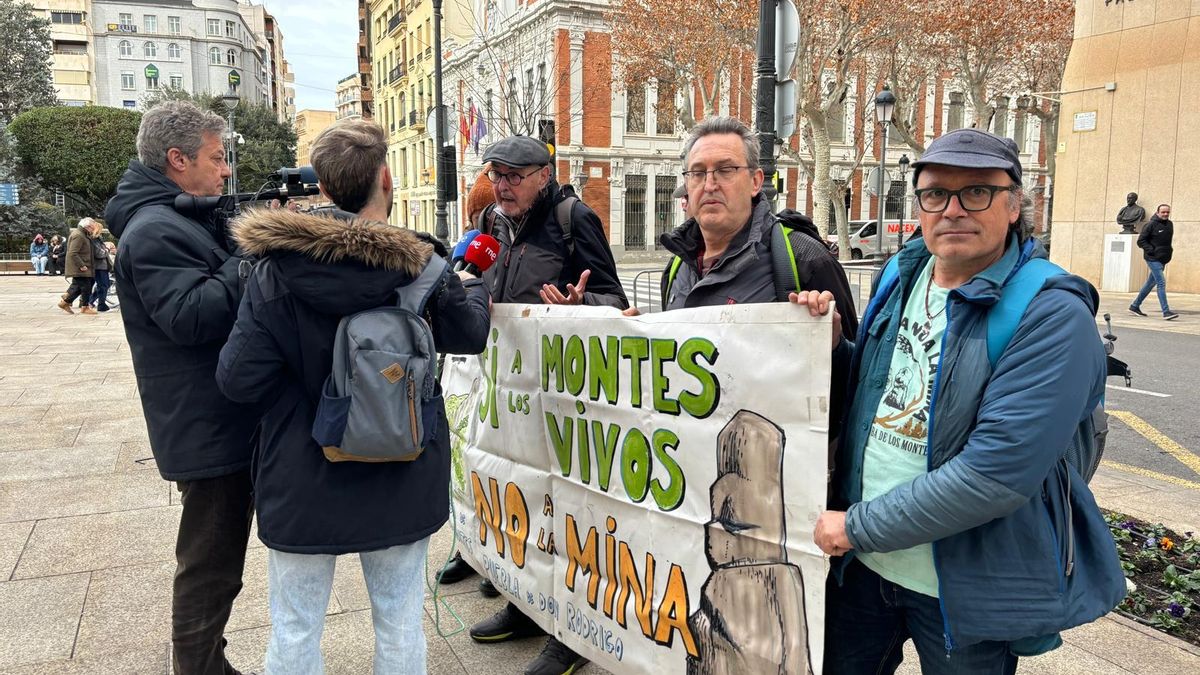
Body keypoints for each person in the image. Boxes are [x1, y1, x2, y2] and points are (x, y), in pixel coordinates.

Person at [799, 128, 1124, 674]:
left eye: (976, 192)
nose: (952, 210)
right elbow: (880, 390)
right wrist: (830, 347)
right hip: (865, 570)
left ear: (1015, 202)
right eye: (935, 194)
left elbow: (994, 474)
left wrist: (854, 527)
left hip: (965, 587)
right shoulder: (904, 272)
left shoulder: (1053, 314)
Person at [214, 119, 491, 674]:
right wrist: (472, 287)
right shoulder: (425, 265)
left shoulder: (273, 270)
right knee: (399, 621)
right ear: (385, 180)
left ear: (325, 185)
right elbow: (470, 335)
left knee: (294, 628)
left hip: (300, 472)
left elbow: (239, 380)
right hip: (401, 470)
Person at [104, 100, 257, 674]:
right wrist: (250, 253)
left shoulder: (172, 215)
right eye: (217, 159)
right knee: (210, 564)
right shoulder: (153, 229)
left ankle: (208, 664)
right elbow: (191, 316)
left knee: (217, 561)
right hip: (205, 427)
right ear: (177, 159)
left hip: (212, 418)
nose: (224, 172)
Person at [465, 135, 627, 675]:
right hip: (509, 392)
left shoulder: (572, 217)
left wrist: (583, 305)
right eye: (496, 173)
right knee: (523, 501)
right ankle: (525, 604)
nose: (503, 184)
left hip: (563, 398)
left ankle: (571, 633)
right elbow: (480, 279)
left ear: (543, 173)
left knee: (565, 513)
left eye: (514, 174)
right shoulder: (490, 222)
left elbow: (615, 298)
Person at [649, 116, 857, 343]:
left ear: (756, 182)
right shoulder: (676, 267)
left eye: (725, 170)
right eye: (697, 173)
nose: (709, 185)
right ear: (687, 184)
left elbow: (853, 370)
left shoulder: (807, 259)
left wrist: (835, 345)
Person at [437, 165, 499, 596]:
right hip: (470, 372)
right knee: (469, 462)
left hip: (512, 378)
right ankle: (469, 548)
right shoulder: (473, 248)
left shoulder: (557, 228)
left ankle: (505, 561)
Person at [1129, 203, 1177, 320]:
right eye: (1163, 212)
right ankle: (1166, 312)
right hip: (1152, 258)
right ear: (1157, 212)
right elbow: (1141, 241)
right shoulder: (1150, 225)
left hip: (1163, 259)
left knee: (1150, 283)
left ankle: (1135, 306)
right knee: (1161, 283)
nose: (1165, 214)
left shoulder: (1170, 224)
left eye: (1167, 212)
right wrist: (1151, 250)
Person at [59, 218, 99, 315]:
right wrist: (81, 265)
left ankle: (65, 302)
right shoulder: (79, 235)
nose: (93, 230)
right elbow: (73, 253)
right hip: (80, 267)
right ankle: (85, 307)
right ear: (87, 227)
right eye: (92, 228)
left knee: (79, 287)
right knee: (86, 287)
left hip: (83, 266)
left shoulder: (83, 234)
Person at [89, 231, 114, 311]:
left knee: (104, 285)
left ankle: (95, 302)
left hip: (102, 266)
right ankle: (100, 304)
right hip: (99, 266)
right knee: (103, 285)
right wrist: (107, 249)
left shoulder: (98, 240)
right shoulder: (94, 240)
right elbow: (98, 253)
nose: (101, 233)